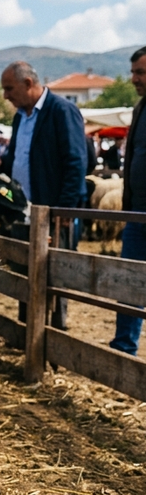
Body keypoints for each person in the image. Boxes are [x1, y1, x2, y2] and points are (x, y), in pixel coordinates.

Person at [0, 60, 87, 330]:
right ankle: (28, 330)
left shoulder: (62, 111)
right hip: (23, 210)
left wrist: (63, 210)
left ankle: (56, 332)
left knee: (54, 274)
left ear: (28, 83)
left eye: (9, 88)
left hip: (51, 213)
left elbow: (76, 163)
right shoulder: (20, 117)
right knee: (24, 270)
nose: (5, 95)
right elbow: (15, 157)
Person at [110, 46, 146, 355]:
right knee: (130, 282)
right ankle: (124, 348)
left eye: (141, 72)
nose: (134, 78)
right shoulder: (140, 109)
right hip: (137, 213)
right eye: (133, 72)